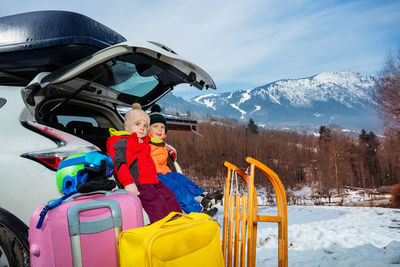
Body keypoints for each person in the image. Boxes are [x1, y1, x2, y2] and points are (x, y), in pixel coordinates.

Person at [106, 103, 182, 224]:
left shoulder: (144, 143)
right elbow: (119, 164)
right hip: (138, 183)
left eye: (145, 125)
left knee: (169, 196)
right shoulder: (121, 142)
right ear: (129, 126)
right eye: (138, 124)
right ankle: (161, 227)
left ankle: (177, 222)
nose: (142, 128)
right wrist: (128, 183)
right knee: (157, 204)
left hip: (152, 181)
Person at [148, 104, 223, 216]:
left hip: (166, 174)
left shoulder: (163, 146)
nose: (159, 129)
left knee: (181, 179)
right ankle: (197, 210)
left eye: (162, 127)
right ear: (147, 128)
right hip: (155, 176)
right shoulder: (144, 144)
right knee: (177, 188)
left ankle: (203, 197)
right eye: (155, 126)